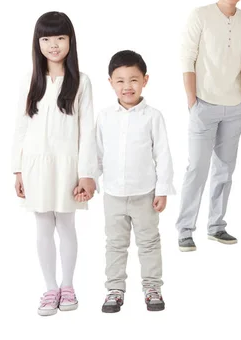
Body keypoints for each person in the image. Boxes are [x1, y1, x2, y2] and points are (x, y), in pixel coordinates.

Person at [11, 11, 97, 316]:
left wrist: (86, 173)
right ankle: (49, 288)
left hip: (68, 165)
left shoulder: (81, 82)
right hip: (35, 164)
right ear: (38, 42)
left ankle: (68, 285)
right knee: (43, 225)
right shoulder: (30, 80)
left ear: (70, 40)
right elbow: (20, 127)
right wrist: (17, 169)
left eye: (60, 37)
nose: (53, 44)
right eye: (46, 38)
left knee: (67, 224)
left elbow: (87, 131)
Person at [176, 0, 241, 251]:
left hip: (236, 106)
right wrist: (191, 100)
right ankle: (185, 229)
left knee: (225, 169)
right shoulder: (201, 15)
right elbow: (187, 58)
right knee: (196, 169)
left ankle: (216, 226)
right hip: (204, 104)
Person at [95, 50, 175, 312]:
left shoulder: (153, 116)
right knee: (115, 243)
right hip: (113, 194)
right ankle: (114, 289)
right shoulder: (105, 117)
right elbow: (97, 153)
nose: (127, 86)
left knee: (149, 241)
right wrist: (90, 181)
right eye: (120, 80)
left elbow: (162, 154)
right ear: (110, 83)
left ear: (145, 80)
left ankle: (153, 287)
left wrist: (162, 190)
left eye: (133, 79)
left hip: (145, 194)